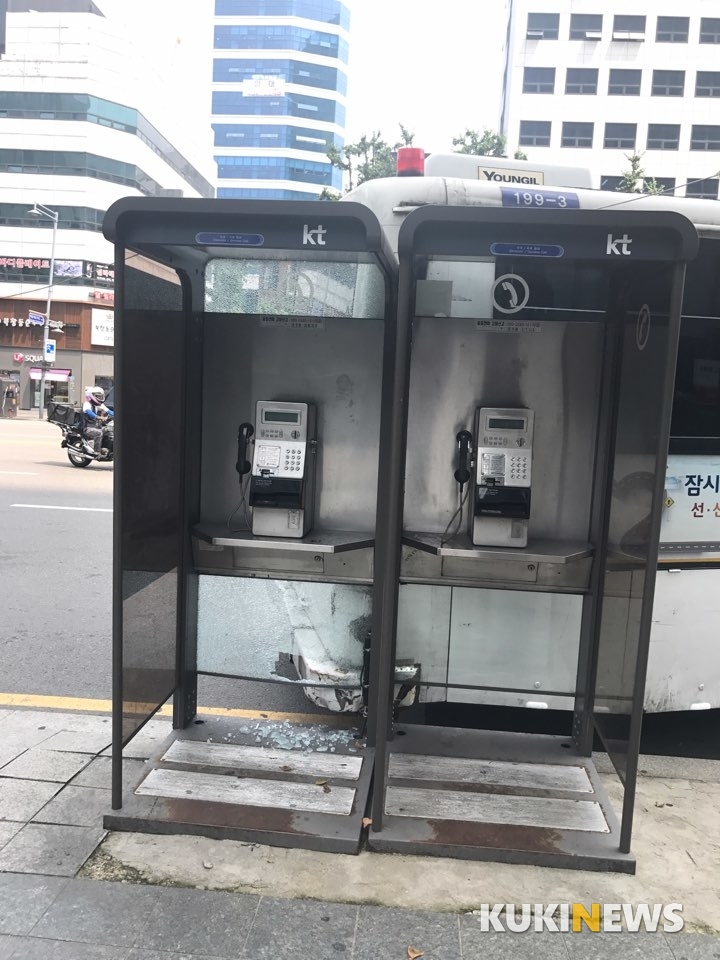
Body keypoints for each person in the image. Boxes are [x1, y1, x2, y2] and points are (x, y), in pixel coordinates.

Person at [82, 385, 112, 456]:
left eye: (101, 396)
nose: (100, 398)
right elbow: (89, 413)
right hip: (88, 428)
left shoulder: (99, 405)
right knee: (99, 433)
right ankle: (97, 452)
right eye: (98, 396)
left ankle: (105, 449)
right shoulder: (87, 404)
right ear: (92, 396)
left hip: (96, 426)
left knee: (109, 431)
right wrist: (99, 417)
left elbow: (109, 411)